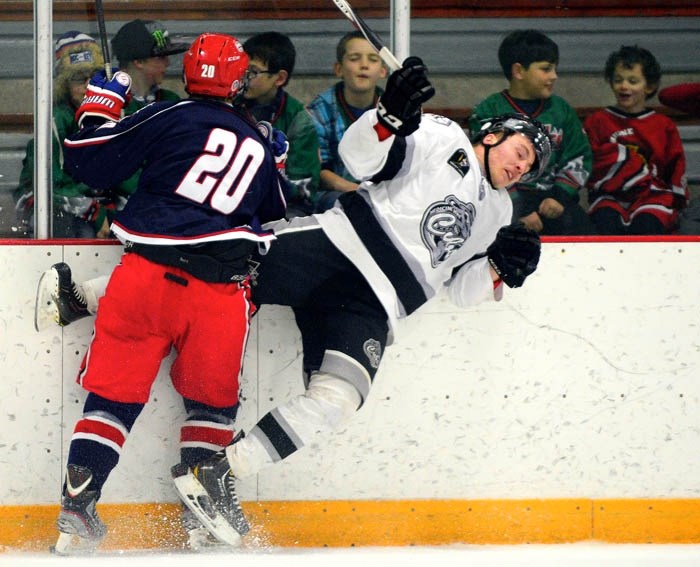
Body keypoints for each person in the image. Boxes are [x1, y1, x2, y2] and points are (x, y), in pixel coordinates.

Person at [50, 32, 287, 555]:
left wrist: (98, 108)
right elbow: (274, 214)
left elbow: (85, 163)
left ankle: (77, 507)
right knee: (211, 405)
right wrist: (275, 160)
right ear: (239, 80)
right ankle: (201, 513)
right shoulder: (255, 137)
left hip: (144, 281)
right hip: (218, 295)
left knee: (111, 398)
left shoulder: (168, 116)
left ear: (188, 76)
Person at [468, 29, 595, 235]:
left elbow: (579, 156)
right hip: (502, 199)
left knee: (589, 237)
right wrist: (520, 209)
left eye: (554, 69)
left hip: (552, 198)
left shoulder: (562, 110)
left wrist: (560, 196)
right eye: (546, 69)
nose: (554, 76)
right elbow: (485, 164)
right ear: (518, 71)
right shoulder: (488, 111)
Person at [13, 31, 112, 238]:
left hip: (88, 200)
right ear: (64, 84)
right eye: (78, 79)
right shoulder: (56, 120)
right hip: (47, 203)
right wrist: (96, 214)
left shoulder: (111, 114)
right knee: (81, 233)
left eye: (93, 77)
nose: (87, 87)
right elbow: (52, 185)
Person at [583, 45, 688, 235]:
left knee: (647, 226)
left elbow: (675, 165)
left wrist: (678, 200)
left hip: (653, 196)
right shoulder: (597, 122)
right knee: (606, 222)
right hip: (609, 196)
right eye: (618, 80)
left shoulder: (663, 125)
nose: (624, 86)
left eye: (633, 81)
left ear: (649, 86)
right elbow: (592, 165)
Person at [241, 31, 321, 217]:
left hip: (287, 207)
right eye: (241, 70)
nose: (244, 78)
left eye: (252, 72)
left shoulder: (299, 119)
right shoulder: (230, 105)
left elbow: (304, 188)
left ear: (279, 78)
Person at [306, 31, 387, 211]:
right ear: (339, 69)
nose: (364, 65)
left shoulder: (394, 109)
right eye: (354, 58)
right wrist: (358, 191)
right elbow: (319, 171)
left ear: (383, 70)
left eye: (373, 59)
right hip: (338, 194)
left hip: (385, 193)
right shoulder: (318, 112)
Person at [111, 19, 188, 112]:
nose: (168, 63)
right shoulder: (112, 105)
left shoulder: (170, 100)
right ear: (139, 61)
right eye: (161, 57)